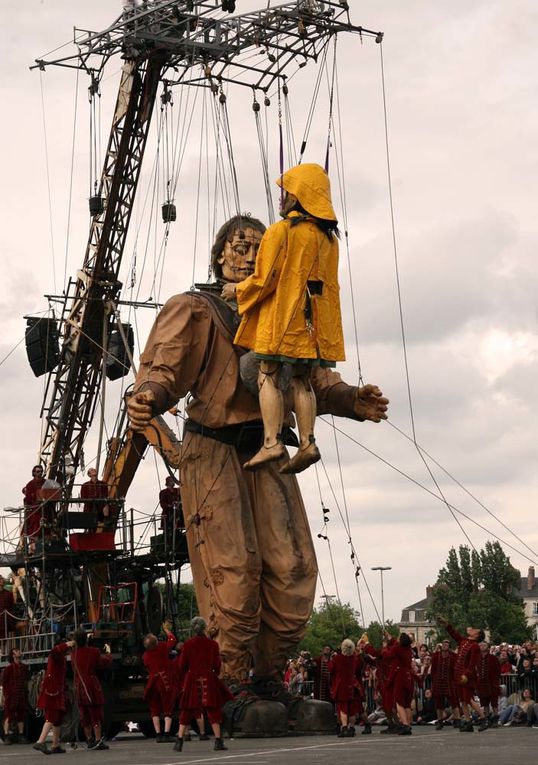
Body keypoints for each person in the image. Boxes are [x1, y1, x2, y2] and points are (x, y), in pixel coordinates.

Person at [127, 214, 388, 688]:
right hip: (213, 451)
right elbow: (163, 366)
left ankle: (269, 676)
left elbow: (310, 377)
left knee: (293, 567)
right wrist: (150, 396)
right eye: (240, 247)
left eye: (259, 249)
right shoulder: (194, 308)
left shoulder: (281, 311)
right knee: (236, 569)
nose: (249, 256)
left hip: (270, 452)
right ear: (220, 253)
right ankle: (232, 683)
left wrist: (351, 399)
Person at [225, 163, 345, 474]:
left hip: (284, 319)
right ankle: (307, 442)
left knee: (266, 372)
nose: (284, 198)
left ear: (300, 196)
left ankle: (271, 441)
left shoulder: (283, 231)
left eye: (288, 192)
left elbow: (266, 279)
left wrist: (236, 291)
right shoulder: (330, 239)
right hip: (315, 324)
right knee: (301, 379)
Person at [173, 616, 233, 752]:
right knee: (213, 709)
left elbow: (182, 665)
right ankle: (218, 741)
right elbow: (217, 665)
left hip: (192, 679)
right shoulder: (212, 645)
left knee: (187, 709)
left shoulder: (188, 644)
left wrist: (185, 675)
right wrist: (215, 673)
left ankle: (179, 741)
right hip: (208, 677)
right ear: (204, 628)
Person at [437, 616, 484, 732]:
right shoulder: (464, 641)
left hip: (466, 677)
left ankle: (484, 718)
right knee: (462, 700)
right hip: (458, 676)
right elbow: (454, 634)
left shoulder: (475, 646)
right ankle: (468, 722)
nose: (472, 629)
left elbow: (472, 664)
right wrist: (446, 624)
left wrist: (466, 675)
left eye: (475, 630)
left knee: (469, 699)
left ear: (476, 636)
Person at [70, 628, 113, 750]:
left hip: (79, 685)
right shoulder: (94, 651)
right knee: (96, 714)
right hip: (92, 685)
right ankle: (98, 740)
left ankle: (89, 740)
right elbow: (101, 663)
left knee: (84, 715)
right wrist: (109, 654)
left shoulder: (74, 654)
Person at [33, 638, 74, 755]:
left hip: (58, 690)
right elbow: (54, 651)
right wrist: (66, 644)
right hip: (52, 690)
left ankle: (55, 745)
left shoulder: (62, 658)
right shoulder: (55, 655)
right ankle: (40, 742)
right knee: (51, 716)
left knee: (58, 717)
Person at [142, 623, 176, 741]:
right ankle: (167, 734)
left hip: (152, 682)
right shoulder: (162, 647)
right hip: (164, 680)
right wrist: (167, 631)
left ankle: (158, 734)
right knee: (167, 707)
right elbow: (172, 641)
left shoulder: (145, 656)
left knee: (154, 708)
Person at [328, 639, 363, 737]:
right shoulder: (353, 659)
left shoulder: (337, 658)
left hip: (341, 685)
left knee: (342, 708)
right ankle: (352, 727)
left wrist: (332, 657)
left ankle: (344, 728)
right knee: (351, 709)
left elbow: (331, 668)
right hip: (351, 685)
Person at [385, 633, 415, 736]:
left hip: (400, 677)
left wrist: (387, 645)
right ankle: (409, 724)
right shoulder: (409, 648)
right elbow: (397, 643)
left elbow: (388, 654)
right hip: (408, 676)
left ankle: (405, 725)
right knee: (407, 703)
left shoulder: (397, 648)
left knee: (399, 703)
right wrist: (390, 637)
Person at [1, 648, 29, 744]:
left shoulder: (24, 667)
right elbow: (4, 683)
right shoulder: (8, 669)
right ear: (13, 655)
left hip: (21, 694)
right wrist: (5, 695)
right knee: (9, 714)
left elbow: (26, 681)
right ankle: (6, 735)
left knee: (21, 714)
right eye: (17, 651)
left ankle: (21, 735)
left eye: (19, 650)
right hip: (11, 695)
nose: (19, 652)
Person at [431, 639, 460, 730]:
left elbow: (456, 669)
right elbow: (433, 670)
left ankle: (457, 720)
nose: (445, 645)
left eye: (447, 643)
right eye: (444, 643)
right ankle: (440, 721)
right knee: (439, 703)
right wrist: (433, 682)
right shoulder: (436, 656)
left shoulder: (454, 656)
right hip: (438, 682)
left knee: (454, 702)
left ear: (449, 646)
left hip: (450, 682)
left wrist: (455, 681)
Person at [474, 641, 501, 730]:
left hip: (492, 684)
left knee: (494, 703)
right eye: (480, 645)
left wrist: (495, 682)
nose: (482, 646)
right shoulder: (477, 658)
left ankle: (496, 719)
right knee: (484, 703)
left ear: (488, 647)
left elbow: (498, 671)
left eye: (484, 645)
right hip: (481, 684)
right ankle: (487, 720)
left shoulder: (493, 658)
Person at [22, 465, 45, 549]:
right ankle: (34, 548)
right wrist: (36, 496)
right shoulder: (30, 484)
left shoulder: (46, 482)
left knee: (48, 528)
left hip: (46, 510)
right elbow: (28, 499)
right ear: (34, 473)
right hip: (35, 511)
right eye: (38, 471)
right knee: (34, 528)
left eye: (41, 471)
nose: (40, 473)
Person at [0, 576, 15, 651]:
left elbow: (11, 606)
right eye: (0, 579)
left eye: (2, 578)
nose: (2, 580)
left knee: (5, 637)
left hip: (6, 619)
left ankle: (3, 653)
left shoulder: (9, 593)